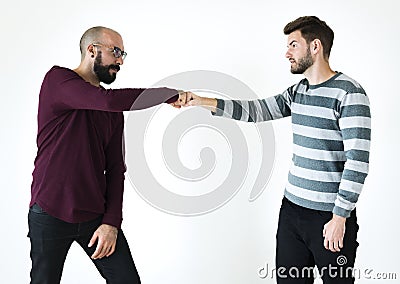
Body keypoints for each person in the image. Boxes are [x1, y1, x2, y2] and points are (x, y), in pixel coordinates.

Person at [175, 16, 371, 283]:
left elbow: (357, 161)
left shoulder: (348, 93)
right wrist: (201, 101)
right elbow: (256, 111)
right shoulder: (298, 91)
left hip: (330, 217)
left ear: (315, 46)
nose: (286, 53)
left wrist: (339, 217)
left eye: (293, 45)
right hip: (292, 212)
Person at [28, 26, 188, 284]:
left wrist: (111, 222)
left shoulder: (113, 111)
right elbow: (107, 101)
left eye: (123, 54)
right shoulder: (57, 80)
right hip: (50, 212)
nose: (121, 61)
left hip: (95, 217)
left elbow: (116, 169)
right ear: (92, 50)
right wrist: (165, 94)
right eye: (116, 52)